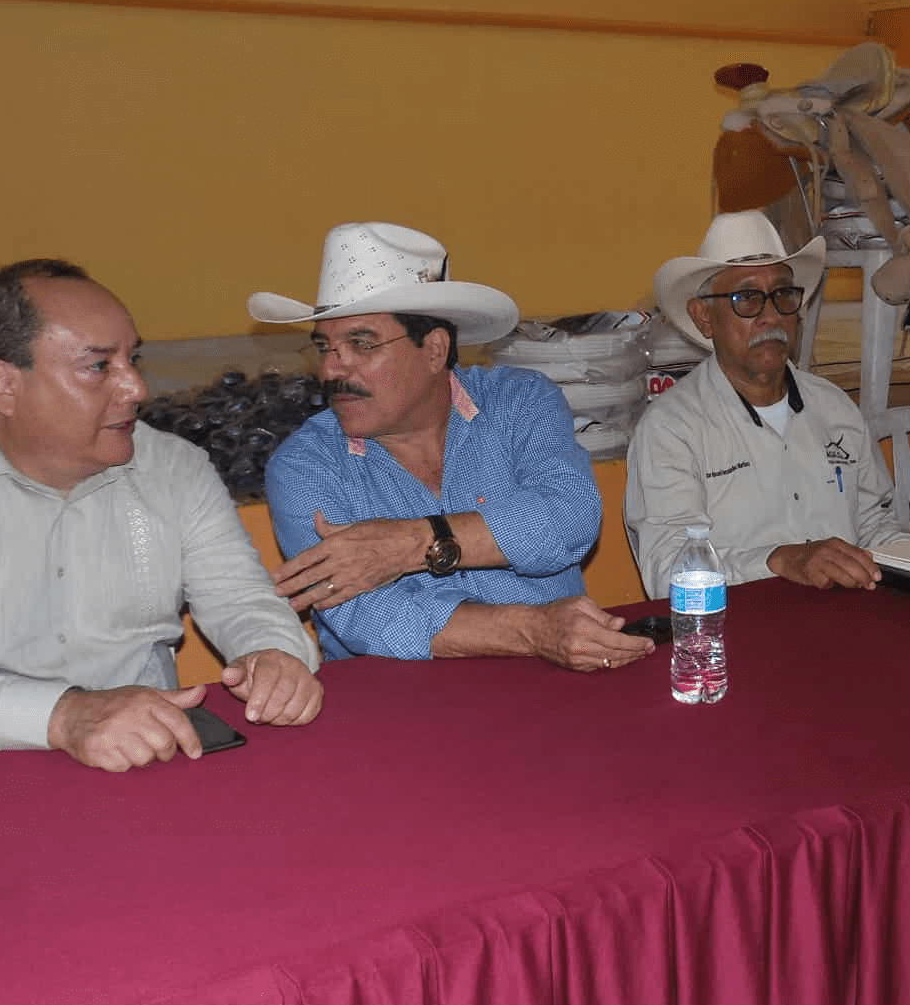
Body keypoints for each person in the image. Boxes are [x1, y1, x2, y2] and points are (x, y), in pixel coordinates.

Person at [0, 259, 323, 772]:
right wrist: (63, 716)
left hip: (145, 767)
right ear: (3, 385)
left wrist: (273, 653)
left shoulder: (174, 470)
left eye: (133, 359)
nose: (136, 388)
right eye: (99, 367)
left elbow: (240, 599)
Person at [254, 223, 652, 672]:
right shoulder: (305, 465)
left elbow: (569, 517)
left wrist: (413, 542)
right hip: (400, 703)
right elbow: (367, 616)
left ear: (434, 350)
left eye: (360, 344)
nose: (331, 370)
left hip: (551, 686)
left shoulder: (519, 402)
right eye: (324, 347)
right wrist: (534, 630)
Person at [625, 211, 907, 597]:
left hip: (845, 619)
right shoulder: (672, 429)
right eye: (746, 299)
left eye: (783, 295)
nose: (771, 316)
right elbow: (667, 572)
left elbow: (875, 525)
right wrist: (777, 561)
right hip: (737, 627)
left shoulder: (835, 408)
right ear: (704, 316)